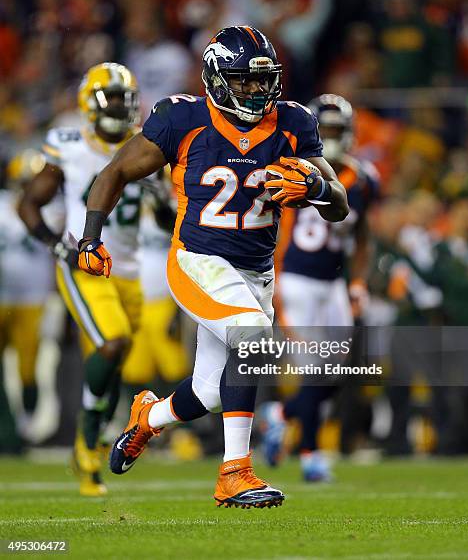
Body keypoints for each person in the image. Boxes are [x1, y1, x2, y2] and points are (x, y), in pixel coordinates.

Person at [77, 26, 348, 509]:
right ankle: (234, 473)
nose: (256, 91)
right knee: (252, 337)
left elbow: (339, 203)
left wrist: (317, 190)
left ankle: (149, 418)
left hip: (255, 272)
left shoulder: (292, 123)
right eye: (244, 81)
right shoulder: (183, 119)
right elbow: (115, 169)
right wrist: (90, 238)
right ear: (218, 79)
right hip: (198, 260)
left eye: (262, 81)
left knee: (209, 391)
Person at [18, 62, 145, 497]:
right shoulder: (67, 143)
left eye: (124, 98)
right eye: (110, 97)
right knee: (112, 343)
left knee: (113, 364)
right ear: (89, 103)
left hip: (129, 268)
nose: (118, 106)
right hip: (84, 265)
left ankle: (95, 429)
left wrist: (165, 198)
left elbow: (165, 215)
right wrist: (58, 246)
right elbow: (29, 204)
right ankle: (87, 441)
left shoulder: (144, 143)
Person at [261, 94, 379, 480]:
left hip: (333, 285)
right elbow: (277, 232)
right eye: (323, 130)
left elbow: (363, 237)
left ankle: (281, 414)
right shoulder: (291, 170)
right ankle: (311, 454)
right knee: (315, 370)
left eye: (336, 130)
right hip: (297, 281)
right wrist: (273, 282)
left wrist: (358, 281)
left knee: (336, 372)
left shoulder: (362, 179)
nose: (329, 137)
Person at [0, 151, 60, 449]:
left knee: (29, 368)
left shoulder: (52, 210)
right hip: (4, 297)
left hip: (35, 299)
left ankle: (24, 427)